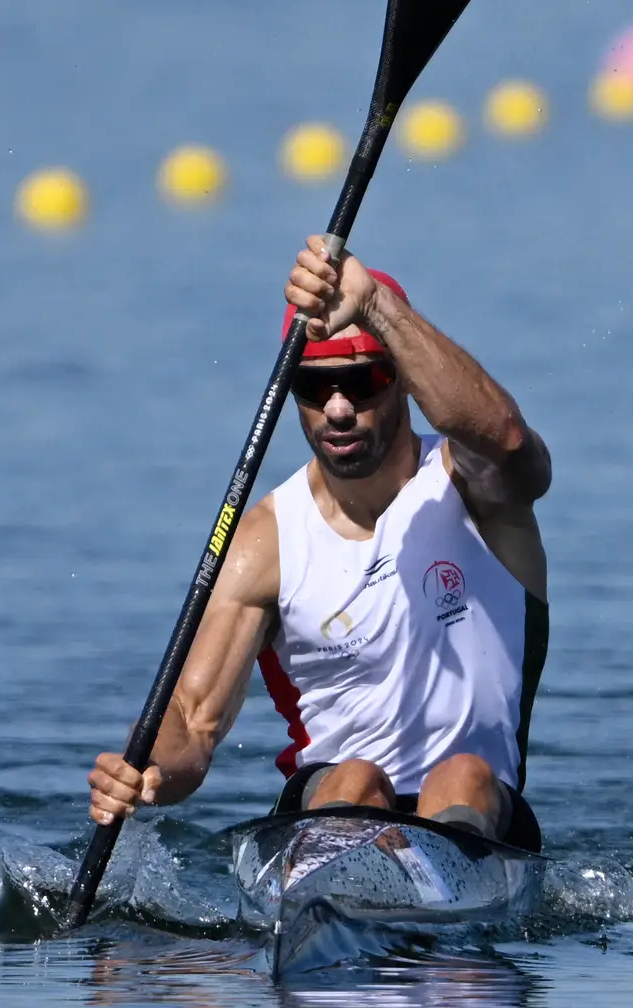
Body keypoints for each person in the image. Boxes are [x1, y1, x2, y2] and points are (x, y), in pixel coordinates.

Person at [85, 236, 552, 849]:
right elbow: (191, 721)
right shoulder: (265, 541)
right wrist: (142, 766)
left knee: (461, 775)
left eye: (364, 382)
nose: (337, 409)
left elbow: (510, 441)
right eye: (313, 385)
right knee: (355, 779)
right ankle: (351, 883)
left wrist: (375, 305)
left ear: (405, 380)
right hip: (331, 804)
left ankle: (437, 898)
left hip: (479, 816)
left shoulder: (479, 488)